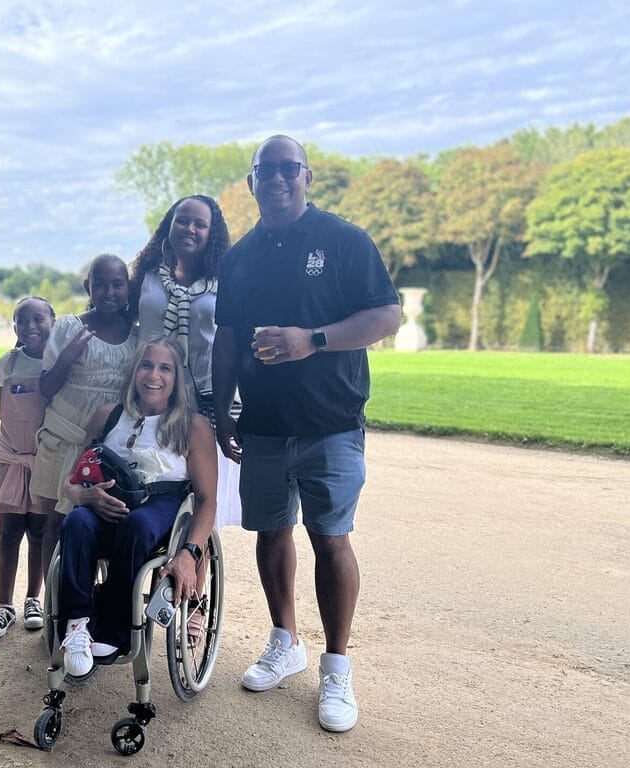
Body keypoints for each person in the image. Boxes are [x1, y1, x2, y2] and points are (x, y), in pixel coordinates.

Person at [212, 135, 401, 733]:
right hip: (263, 423)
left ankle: (337, 666)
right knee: (270, 531)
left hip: (330, 420)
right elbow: (227, 339)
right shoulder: (238, 258)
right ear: (252, 182)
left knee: (331, 539)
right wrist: (222, 411)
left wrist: (311, 339)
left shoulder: (343, 240)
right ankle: (284, 640)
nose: (277, 179)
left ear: (307, 177)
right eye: (266, 171)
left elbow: (386, 315)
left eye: (288, 169)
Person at [57, 336, 217, 677]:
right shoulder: (108, 416)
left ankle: (115, 628)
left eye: (164, 368)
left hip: (161, 503)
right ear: (134, 371)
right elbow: (73, 480)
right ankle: (78, 625)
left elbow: (206, 500)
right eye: (146, 365)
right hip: (104, 499)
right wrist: (82, 496)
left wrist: (189, 552)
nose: (153, 376)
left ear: (176, 378)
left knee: (138, 525)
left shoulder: (194, 425)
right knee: (76, 523)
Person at [130, 194, 241, 645]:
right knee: (152, 484)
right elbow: (122, 321)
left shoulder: (225, 279)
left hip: (209, 399)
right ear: (169, 225)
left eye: (200, 224)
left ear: (211, 232)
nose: (190, 230)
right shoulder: (145, 275)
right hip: (155, 394)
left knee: (202, 499)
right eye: (183, 221)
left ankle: (195, 603)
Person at [30, 254, 138, 575]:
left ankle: (89, 595)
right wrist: (67, 358)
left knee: (96, 521)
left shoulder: (137, 336)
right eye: (100, 284)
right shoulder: (69, 328)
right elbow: (47, 388)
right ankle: (56, 599)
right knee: (55, 522)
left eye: (117, 284)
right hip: (64, 437)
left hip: (107, 445)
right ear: (87, 287)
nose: (109, 292)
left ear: (128, 288)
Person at [0, 297, 56, 640]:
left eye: (39, 319)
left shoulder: (58, 364)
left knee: (39, 532)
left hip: (44, 461)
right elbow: (9, 414)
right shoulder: (7, 364)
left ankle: (33, 599)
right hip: (12, 458)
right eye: (23, 320)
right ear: (15, 327)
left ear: (53, 321)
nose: (32, 326)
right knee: (9, 532)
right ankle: (4, 605)